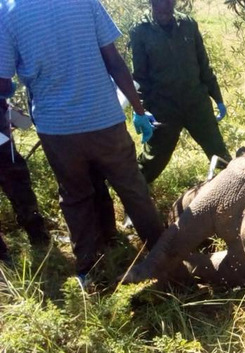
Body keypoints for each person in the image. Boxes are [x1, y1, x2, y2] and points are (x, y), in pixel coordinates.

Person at [0, 0, 165, 285]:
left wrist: (13, 96)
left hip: (58, 128)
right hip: (104, 118)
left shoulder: (9, 11)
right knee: (132, 188)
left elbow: (2, 80)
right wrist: (139, 110)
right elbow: (114, 60)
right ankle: (164, 257)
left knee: (76, 196)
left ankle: (90, 272)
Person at [130, 0, 231, 185]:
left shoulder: (188, 25)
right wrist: (141, 110)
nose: (166, 7)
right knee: (152, 162)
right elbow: (140, 78)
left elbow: (203, 65)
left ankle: (236, 198)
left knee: (221, 157)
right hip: (164, 109)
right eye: (160, 3)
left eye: (170, 2)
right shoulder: (140, 31)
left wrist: (217, 97)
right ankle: (134, 204)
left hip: (196, 103)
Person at [0, 88, 50, 265]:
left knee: (21, 192)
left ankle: (40, 240)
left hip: (3, 145)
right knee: (20, 191)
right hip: (3, 146)